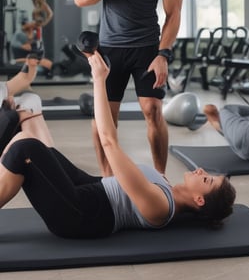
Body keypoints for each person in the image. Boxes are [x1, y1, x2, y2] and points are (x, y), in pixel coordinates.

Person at [0, 52, 236, 238]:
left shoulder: (161, 206)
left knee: (25, 150)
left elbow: (109, 143)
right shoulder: (167, 188)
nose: (202, 171)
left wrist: (100, 80)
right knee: (26, 137)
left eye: (206, 180)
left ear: (199, 200)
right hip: (90, 189)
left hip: (81, 215)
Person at [74, 0, 183, 175]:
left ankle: (161, 179)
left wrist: (163, 54)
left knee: (153, 111)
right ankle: (109, 180)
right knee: (104, 120)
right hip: (110, 48)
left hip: (148, 47)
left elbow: (173, 15)